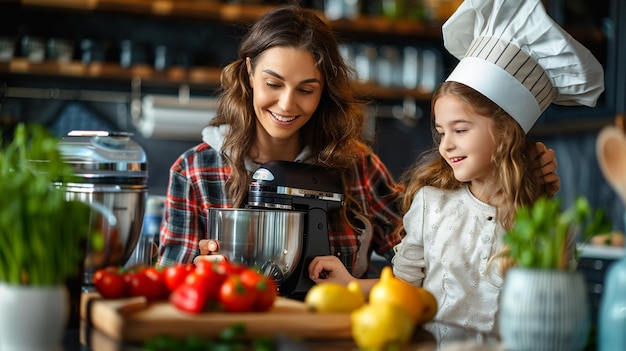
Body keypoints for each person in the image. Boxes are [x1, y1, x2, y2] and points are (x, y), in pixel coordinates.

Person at [157, 5, 560, 279]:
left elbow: (431, 248)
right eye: (273, 84)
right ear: (248, 74)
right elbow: (168, 282)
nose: (286, 104)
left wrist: (509, 174)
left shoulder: (356, 167)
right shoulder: (195, 172)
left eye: (306, 89)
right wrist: (197, 268)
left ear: (324, 91)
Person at [308, 0, 604, 344]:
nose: (445, 145)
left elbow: (555, 321)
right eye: (441, 131)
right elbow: (403, 295)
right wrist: (352, 285)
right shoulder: (430, 206)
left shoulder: (547, 226)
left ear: (505, 134)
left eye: (460, 130)